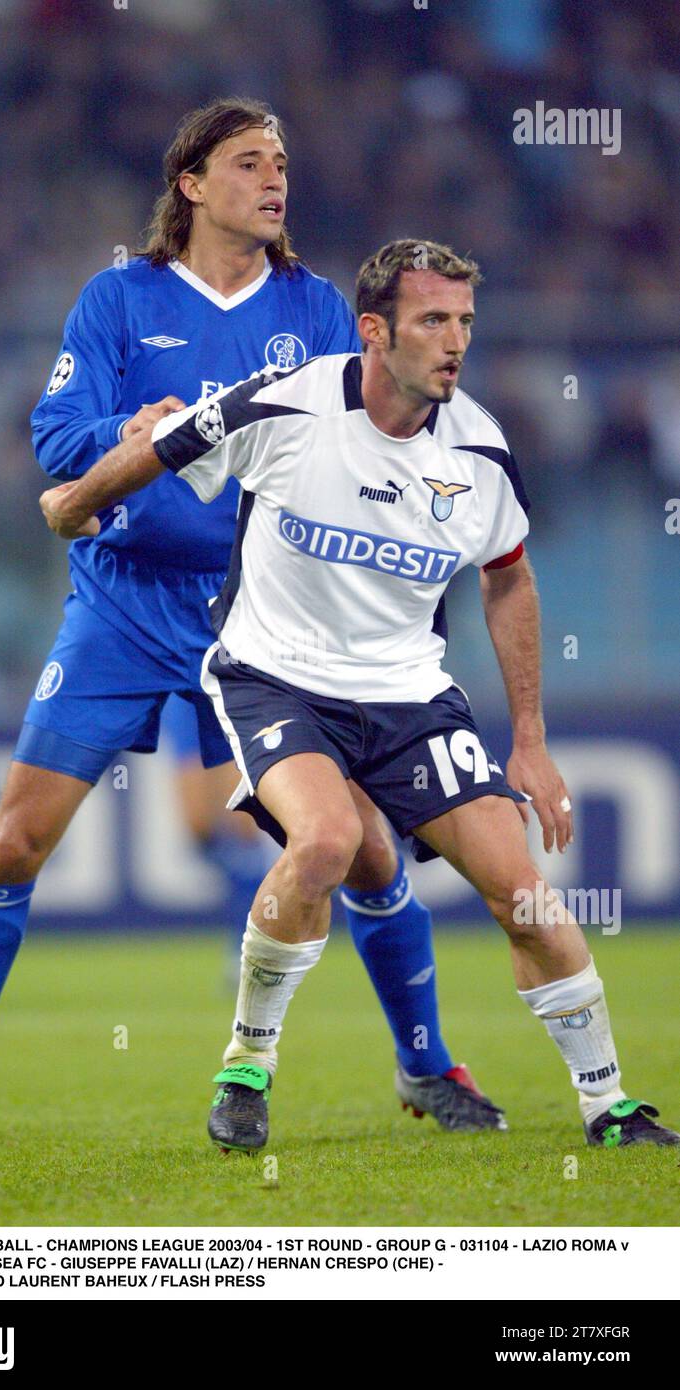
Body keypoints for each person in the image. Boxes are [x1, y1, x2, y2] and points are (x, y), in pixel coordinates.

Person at [0, 101, 495, 1145]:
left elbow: (376, 443)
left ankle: (427, 1064)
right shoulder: (119, 299)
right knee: (18, 838)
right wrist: (121, 430)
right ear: (192, 184)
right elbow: (53, 434)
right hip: (119, 600)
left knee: (365, 855)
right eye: (249, 161)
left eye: (284, 163)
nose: (274, 179)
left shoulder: (311, 308)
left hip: (260, 614)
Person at [39, 238, 679, 1154]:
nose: (453, 341)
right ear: (373, 331)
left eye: (462, 321)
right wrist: (75, 503)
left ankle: (607, 1104)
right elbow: (160, 447)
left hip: (408, 695)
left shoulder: (481, 451)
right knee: (329, 842)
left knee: (522, 895)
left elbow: (507, 578)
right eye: (431, 321)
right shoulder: (288, 402)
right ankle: (246, 1068)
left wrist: (529, 740)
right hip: (274, 678)